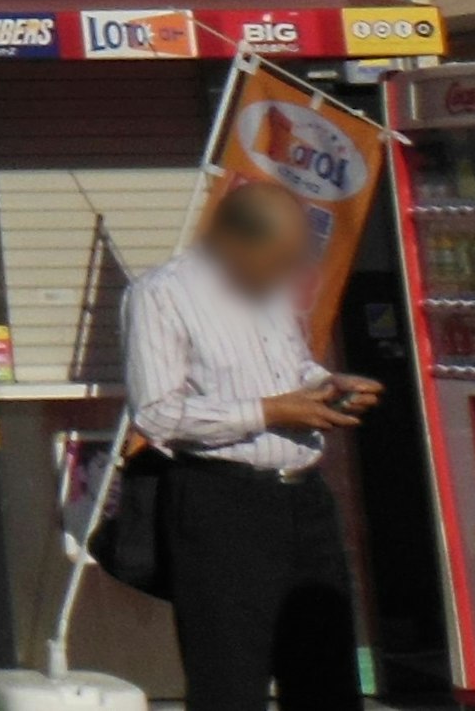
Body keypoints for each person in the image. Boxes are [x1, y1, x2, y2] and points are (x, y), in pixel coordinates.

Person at [119, 179, 385, 711]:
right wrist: (270, 411)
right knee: (230, 676)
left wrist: (326, 386)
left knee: (325, 673)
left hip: (303, 496)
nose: (290, 267)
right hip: (223, 500)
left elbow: (291, 367)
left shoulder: (273, 288)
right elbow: (156, 412)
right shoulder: (161, 294)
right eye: (281, 253)